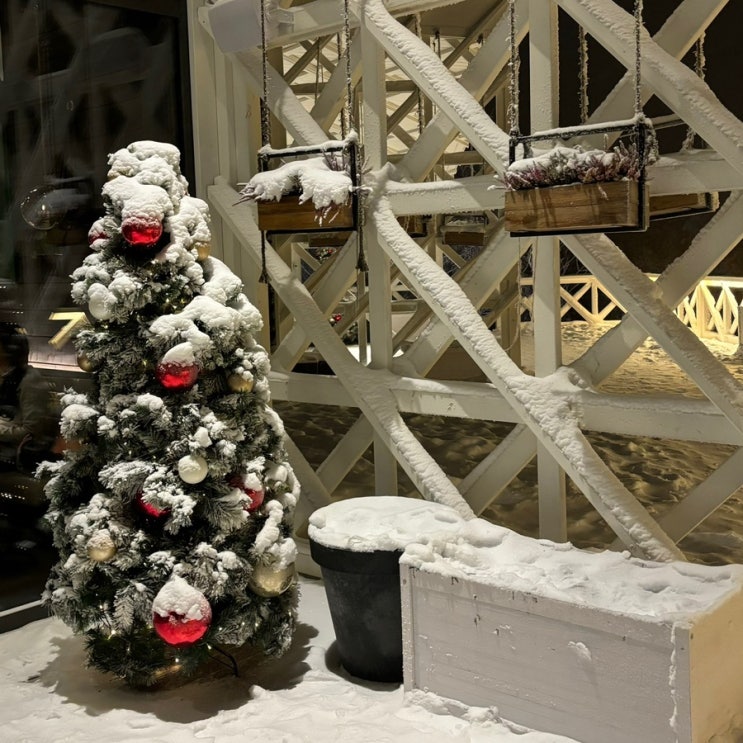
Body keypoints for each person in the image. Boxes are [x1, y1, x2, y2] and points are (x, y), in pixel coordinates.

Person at [0, 323, 59, 472]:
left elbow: (31, 432)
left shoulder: (29, 381)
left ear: (8, 351)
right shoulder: (6, 375)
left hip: (15, 454)